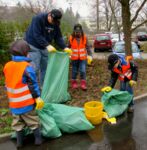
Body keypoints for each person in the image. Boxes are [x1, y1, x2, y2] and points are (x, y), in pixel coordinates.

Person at [3, 40, 44, 148]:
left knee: (17, 123)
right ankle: (38, 140)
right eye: (28, 52)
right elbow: (33, 85)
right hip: (26, 103)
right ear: (25, 53)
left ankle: (19, 143)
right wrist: (38, 97)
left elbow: (7, 83)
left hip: (14, 104)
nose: (29, 54)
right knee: (33, 121)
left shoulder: (7, 66)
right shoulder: (26, 67)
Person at [25, 9, 71, 86]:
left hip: (44, 47)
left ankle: (43, 87)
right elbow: (37, 35)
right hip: (33, 45)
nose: (52, 23)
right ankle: (33, 90)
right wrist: (47, 45)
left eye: (55, 22)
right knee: (35, 68)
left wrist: (64, 47)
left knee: (45, 69)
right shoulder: (38, 19)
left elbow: (58, 37)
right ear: (49, 14)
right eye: (52, 20)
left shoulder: (56, 23)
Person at [68, 23, 93, 90]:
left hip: (83, 58)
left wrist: (90, 55)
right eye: (76, 32)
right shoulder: (71, 38)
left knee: (83, 71)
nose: (78, 33)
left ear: (81, 31)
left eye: (79, 32)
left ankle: (83, 84)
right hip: (74, 58)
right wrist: (67, 54)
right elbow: (67, 47)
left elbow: (87, 47)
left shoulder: (84, 38)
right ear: (74, 31)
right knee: (74, 71)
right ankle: (74, 83)